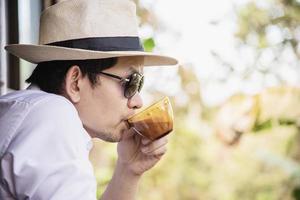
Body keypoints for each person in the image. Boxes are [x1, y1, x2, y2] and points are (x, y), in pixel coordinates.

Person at [0, 0, 178, 199]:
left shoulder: (33, 114)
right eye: (130, 82)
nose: (138, 101)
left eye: (139, 84)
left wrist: (128, 171)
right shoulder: (53, 115)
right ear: (75, 82)